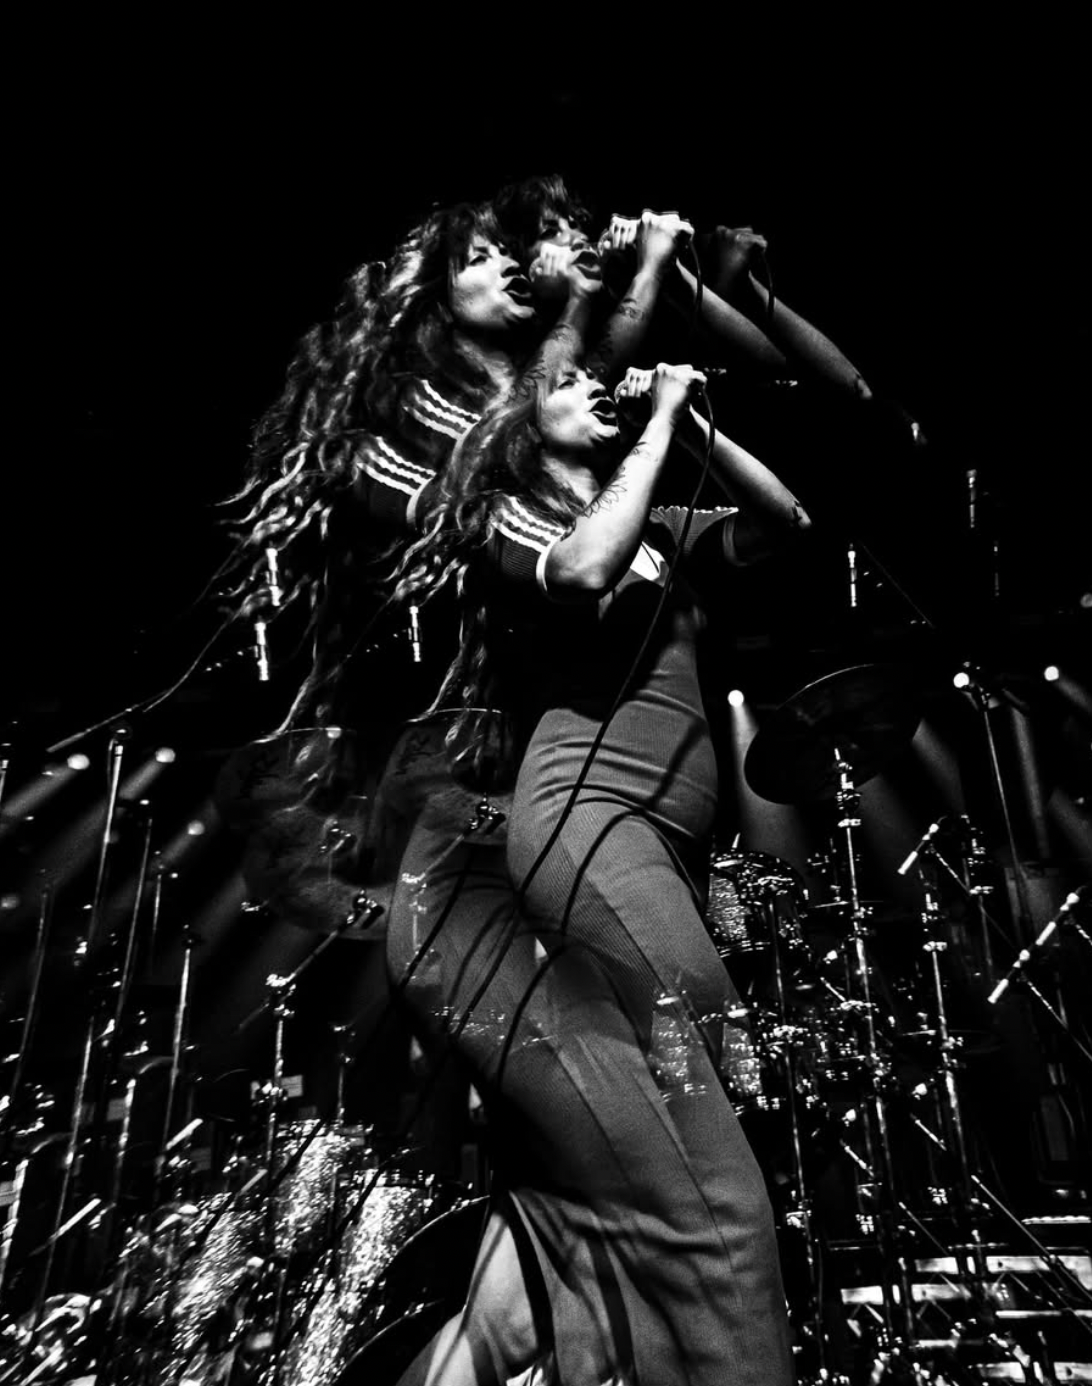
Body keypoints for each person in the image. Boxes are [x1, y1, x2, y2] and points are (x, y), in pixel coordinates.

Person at [386, 354, 812, 1383]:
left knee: (548, 1260)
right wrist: (658, 418)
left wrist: (691, 422)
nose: (595, 382)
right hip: (581, 822)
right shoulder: (510, 519)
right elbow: (582, 569)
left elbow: (788, 521)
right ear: (519, 421)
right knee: (715, 1070)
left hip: (650, 843)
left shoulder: (660, 527)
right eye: (566, 376)